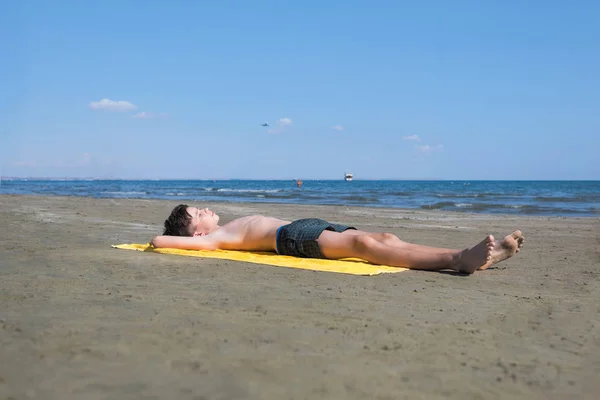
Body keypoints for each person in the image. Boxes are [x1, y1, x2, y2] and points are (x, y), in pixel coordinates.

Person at [151, 204, 525, 274]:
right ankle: (459, 258)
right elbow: (159, 241)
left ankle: (479, 257)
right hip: (292, 237)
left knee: (383, 236)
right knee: (367, 248)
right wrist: (177, 236)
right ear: (196, 232)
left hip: (303, 225)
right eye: (197, 214)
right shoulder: (211, 240)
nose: (204, 210)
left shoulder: (217, 230)